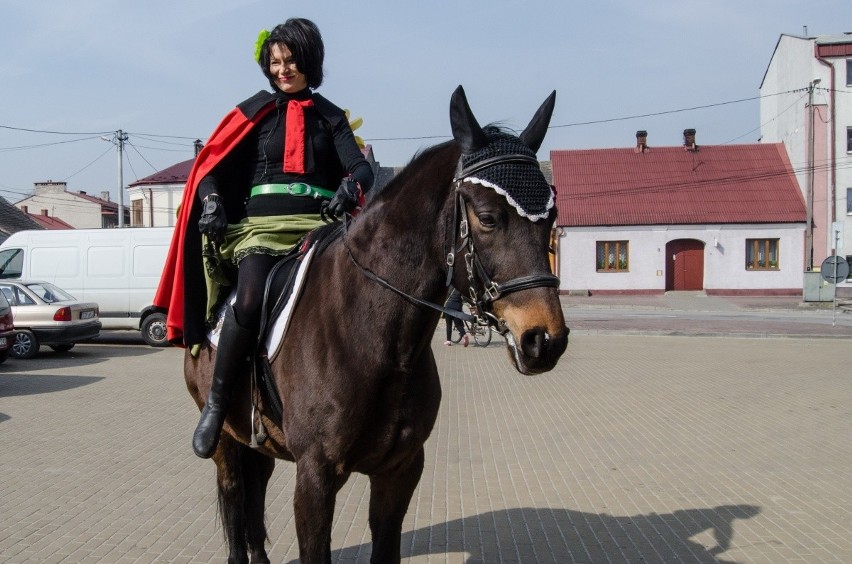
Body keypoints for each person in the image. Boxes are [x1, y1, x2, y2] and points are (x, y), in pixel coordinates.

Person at [153, 18, 374, 459]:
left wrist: (352, 186)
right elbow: (212, 168)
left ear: (309, 61)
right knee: (250, 299)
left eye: (290, 61)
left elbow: (360, 166)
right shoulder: (253, 112)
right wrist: (213, 201)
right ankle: (216, 406)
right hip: (261, 231)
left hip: (321, 230)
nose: (283, 70)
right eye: (275, 62)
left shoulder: (331, 117)